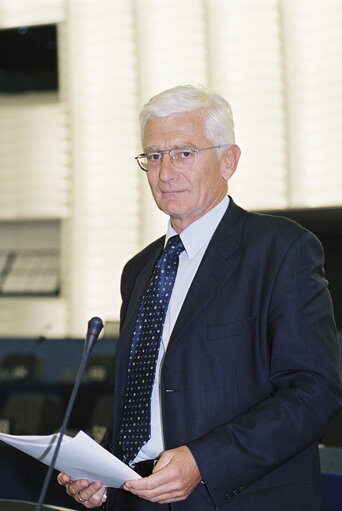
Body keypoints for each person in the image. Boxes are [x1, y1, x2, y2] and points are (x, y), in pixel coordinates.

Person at [58, 85, 342, 510]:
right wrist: (100, 470)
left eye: (184, 153)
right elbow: (141, 401)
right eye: (153, 156)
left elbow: (314, 392)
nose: (165, 172)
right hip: (137, 498)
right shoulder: (138, 270)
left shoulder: (281, 249)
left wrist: (204, 461)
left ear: (228, 160)